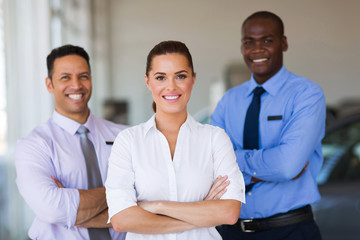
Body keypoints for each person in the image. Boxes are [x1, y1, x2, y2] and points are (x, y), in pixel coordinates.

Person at [105, 40, 245, 240]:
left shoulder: (215, 139)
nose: (171, 86)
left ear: (193, 79)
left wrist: (157, 206)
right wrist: (202, 212)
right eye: (161, 77)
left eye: (180, 76)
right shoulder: (128, 141)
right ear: (148, 81)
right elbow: (122, 219)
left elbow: (229, 213)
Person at [211, 11, 325, 240]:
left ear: (283, 43)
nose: (257, 49)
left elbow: (286, 166)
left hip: (290, 230)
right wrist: (270, 166)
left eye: (267, 40)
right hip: (233, 231)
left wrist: (235, 161)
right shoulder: (228, 101)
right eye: (249, 42)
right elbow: (212, 165)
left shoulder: (306, 94)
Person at [15, 44, 127, 240]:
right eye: (65, 77)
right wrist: (125, 191)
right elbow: (52, 210)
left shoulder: (124, 136)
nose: (76, 85)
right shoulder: (34, 145)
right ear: (49, 84)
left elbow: (150, 198)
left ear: (91, 80)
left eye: (83, 76)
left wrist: (73, 208)